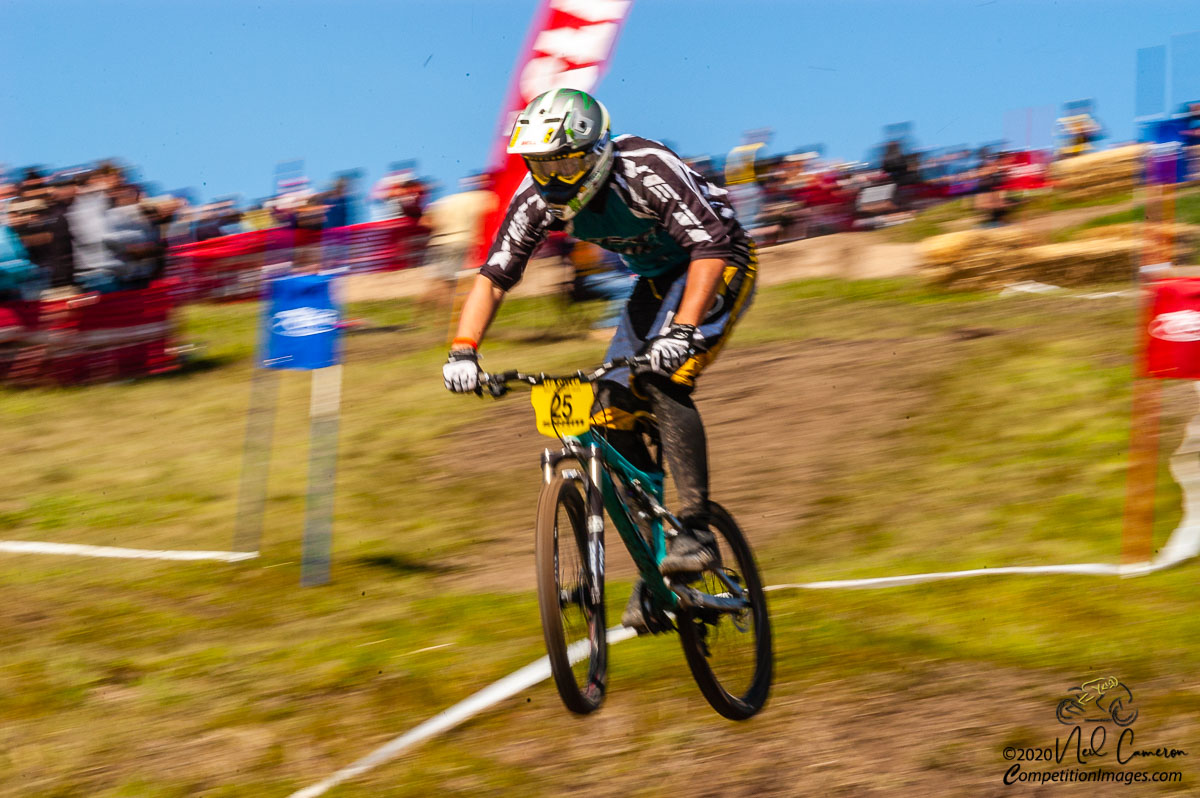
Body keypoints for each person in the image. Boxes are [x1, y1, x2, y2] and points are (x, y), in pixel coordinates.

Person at [441, 88, 756, 634]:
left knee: (662, 377)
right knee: (608, 412)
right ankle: (659, 568)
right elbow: (494, 277)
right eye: (540, 163)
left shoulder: (645, 168)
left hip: (717, 263)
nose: (552, 175)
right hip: (657, 281)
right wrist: (463, 350)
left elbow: (710, 248)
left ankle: (697, 530)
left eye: (562, 160)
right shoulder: (537, 198)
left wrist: (682, 332)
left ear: (595, 152)